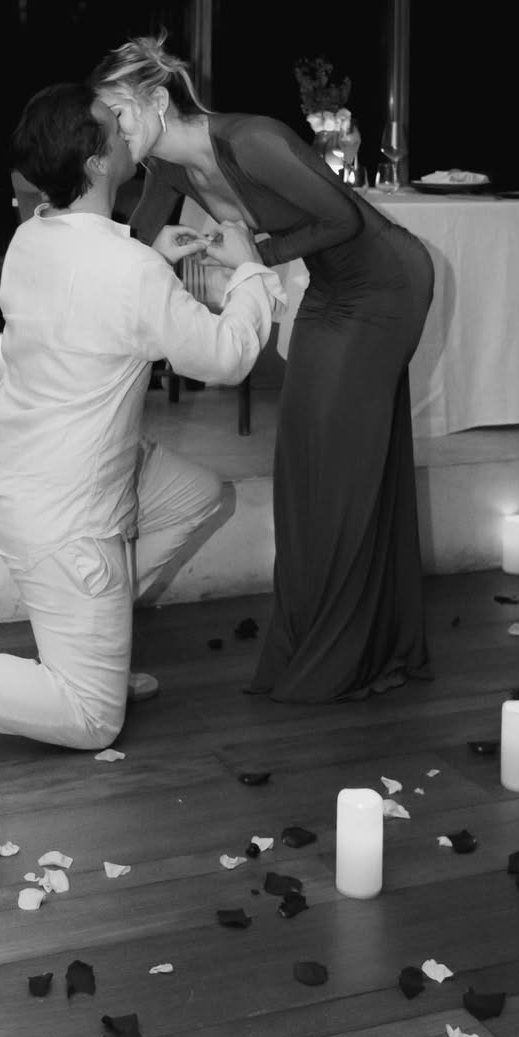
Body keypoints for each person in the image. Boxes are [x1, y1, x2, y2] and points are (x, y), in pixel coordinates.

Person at [0, 82, 283, 786]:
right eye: (113, 126)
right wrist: (251, 269)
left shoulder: (32, 237)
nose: (127, 130)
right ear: (97, 162)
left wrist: (150, 256)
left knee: (201, 497)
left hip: (36, 481)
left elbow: (93, 294)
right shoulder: (127, 270)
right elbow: (227, 358)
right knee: (93, 720)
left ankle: (99, 642)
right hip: (70, 519)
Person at [91, 36, 434, 703]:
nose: (113, 132)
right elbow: (130, 247)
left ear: (156, 100)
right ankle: (347, 642)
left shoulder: (251, 141)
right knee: (307, 463)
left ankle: (342, 654)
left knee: (335, 467)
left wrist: (257, 254)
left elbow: (343, 218)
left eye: (119, 115)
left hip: (386, 284)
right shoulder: (166, 167)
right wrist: (147, 251)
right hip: (333, 290)